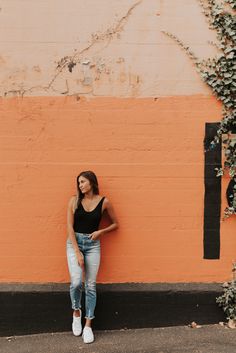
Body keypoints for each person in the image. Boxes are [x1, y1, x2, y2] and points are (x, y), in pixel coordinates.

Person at [66, 170, 118, 343]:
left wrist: (101, 232)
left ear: (92, 182)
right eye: (78, 183)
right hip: (74, 243)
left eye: (82, 182)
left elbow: (116, 224)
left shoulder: (104, 202)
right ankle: (76, 311)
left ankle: (88, 325)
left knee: (90, 285)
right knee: (76, 282)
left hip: (93, 244)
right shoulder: (74, 201)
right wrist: (77, 251)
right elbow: (69, 227)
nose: (80, 185)